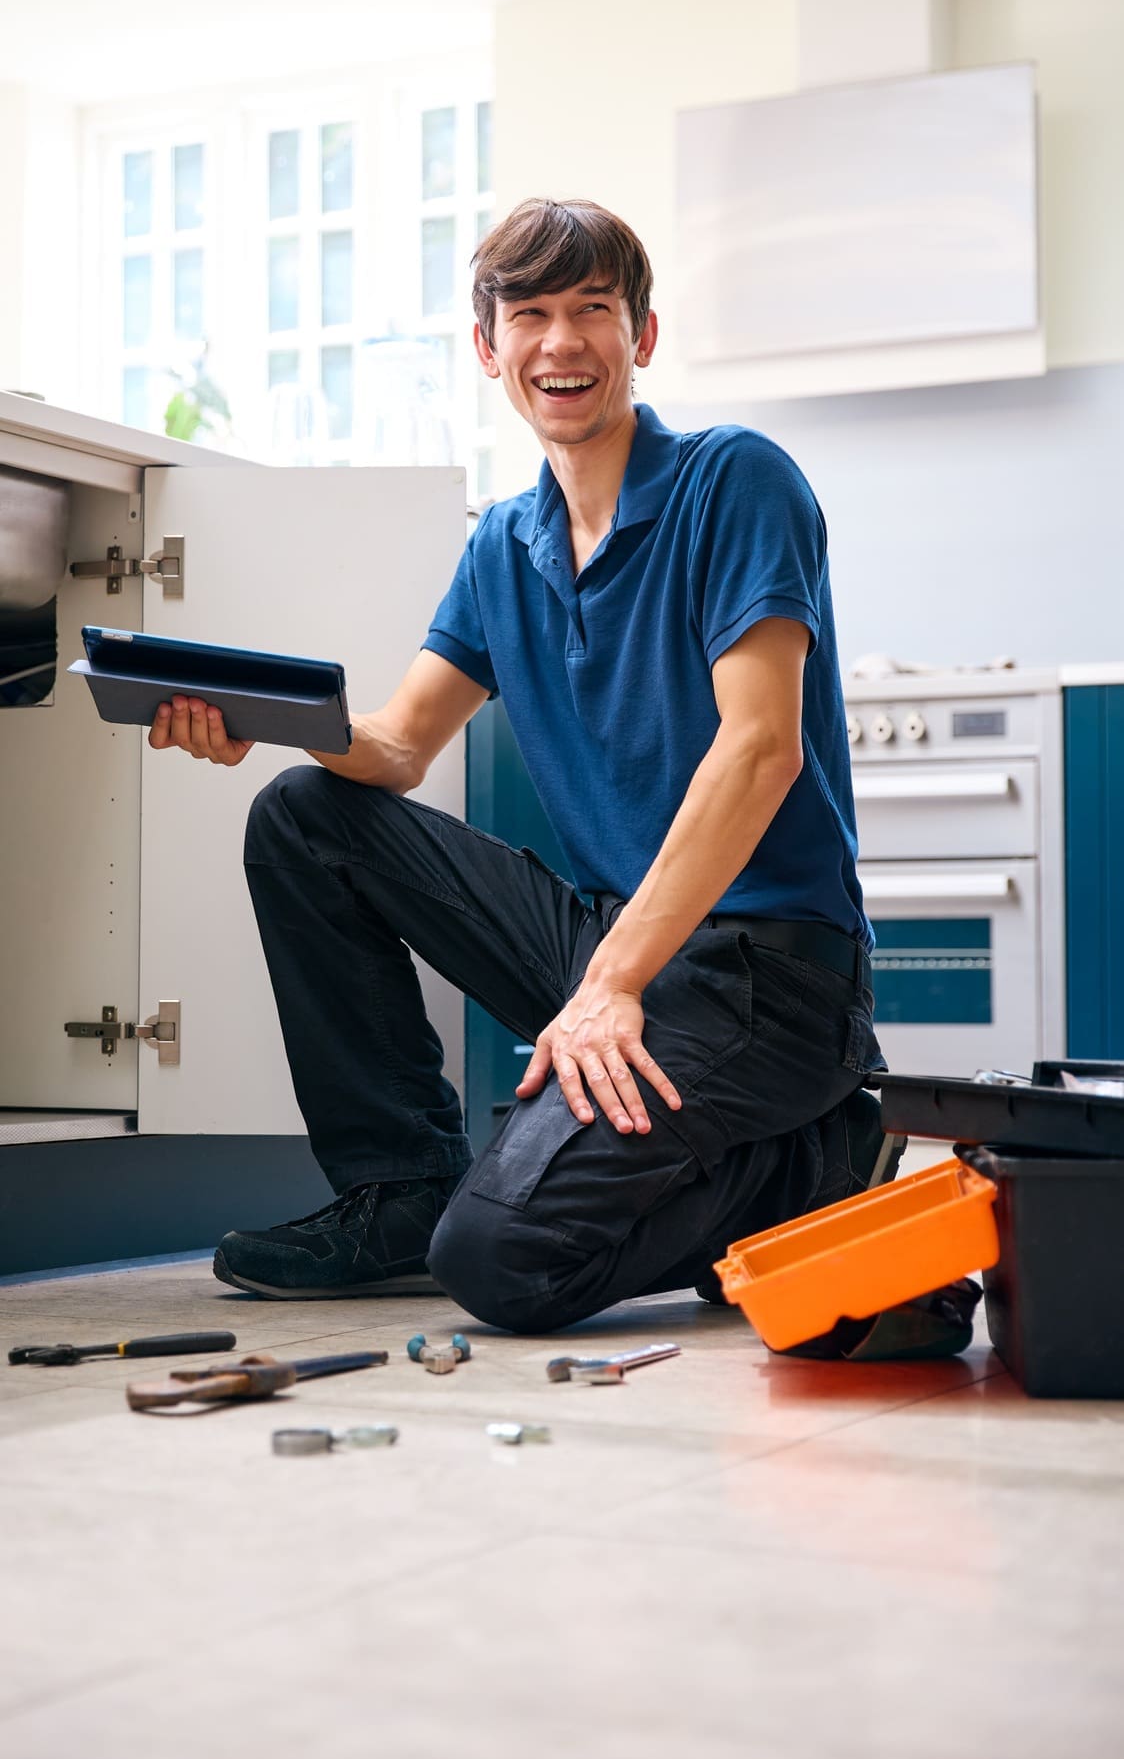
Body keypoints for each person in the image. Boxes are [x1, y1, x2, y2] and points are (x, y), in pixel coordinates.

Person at [150, 197, 894, 1332]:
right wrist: (265, 717)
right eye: (529, 314)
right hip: (617, 943)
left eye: (591, 310)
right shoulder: (505, 540)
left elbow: (758, 750)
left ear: (639, 336)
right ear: (488, 347)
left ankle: (809, 1167)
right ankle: (397, 1186)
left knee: (501, 1260)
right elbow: (396, 746)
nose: (560, 342)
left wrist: (608, 988)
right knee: (306, 813)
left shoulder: (733, 480)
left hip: (768, 976)